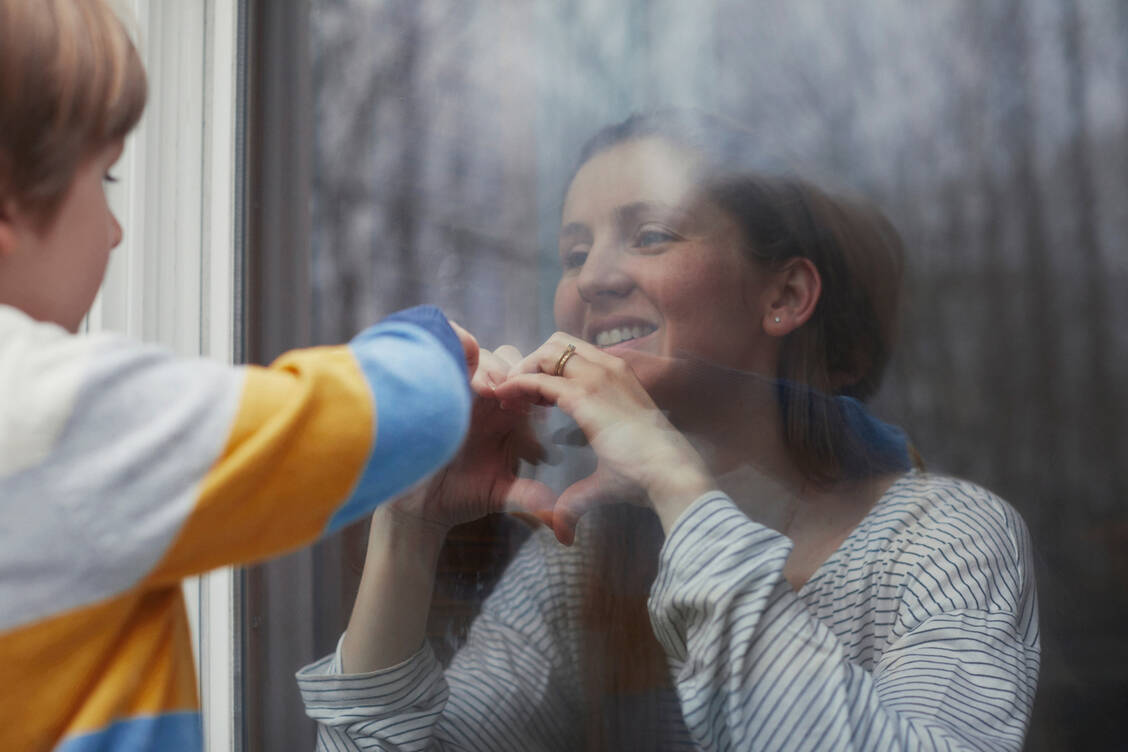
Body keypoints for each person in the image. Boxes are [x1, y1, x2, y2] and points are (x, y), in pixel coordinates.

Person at [298, 111, 1040, 750]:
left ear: (784, 295)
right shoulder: (582, 566)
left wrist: (675, 484)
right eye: (575, 254)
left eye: (649, 235)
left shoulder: (946, 541)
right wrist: (408, 526)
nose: (592, 279)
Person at [0, 2, 477, 750]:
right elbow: (363, 422)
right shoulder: (48, 412)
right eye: (108, 177)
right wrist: (431, 343)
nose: (119, 228)